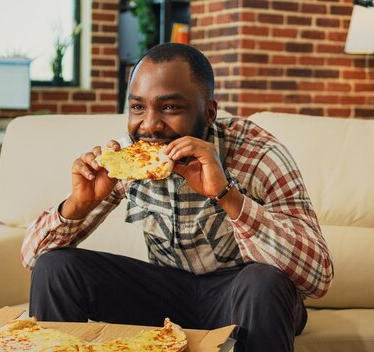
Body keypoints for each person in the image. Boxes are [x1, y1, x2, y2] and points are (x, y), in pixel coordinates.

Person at [21, 43, 333, 352]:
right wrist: (80, 204)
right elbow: (31, 258)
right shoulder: (124, 159)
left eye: (170, 107)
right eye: (138, 107)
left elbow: (318, 277)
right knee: (55, 268)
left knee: (263, 283)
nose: (149, 125)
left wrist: (227, 196)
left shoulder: (258, 152)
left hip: (243, 296)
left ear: (209, 112)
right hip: (165, 297)